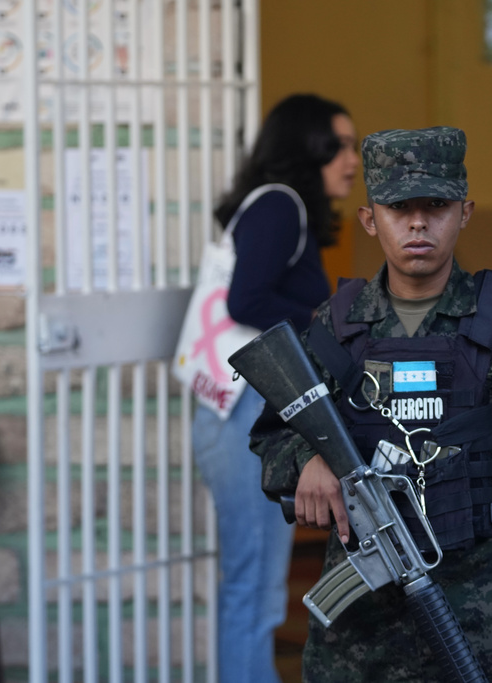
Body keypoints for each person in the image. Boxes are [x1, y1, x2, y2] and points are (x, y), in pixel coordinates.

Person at [250, 126, 492, 683]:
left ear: (464, 212)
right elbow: (271, 435)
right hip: (361, 642)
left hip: (483, 624)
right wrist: (307, 462)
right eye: (399, 208)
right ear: (371, 219)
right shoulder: (334, 326)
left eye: (436, 205)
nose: (418, 223)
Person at [192, 93, 359, 683]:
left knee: (257, 586)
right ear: (306, 148)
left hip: (237, 413)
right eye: (340, 145)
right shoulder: (280, 207)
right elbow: (246, 300)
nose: (353, 160)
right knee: (255, 587)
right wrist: (327, 323)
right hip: (242, 415)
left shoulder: (282, 211)